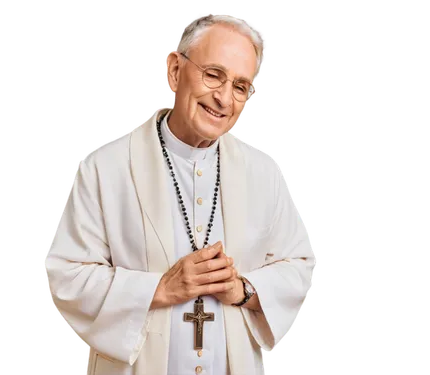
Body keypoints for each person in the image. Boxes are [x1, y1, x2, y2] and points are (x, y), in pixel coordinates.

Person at [44, 12, 315, 375]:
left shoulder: (263, 174)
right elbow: (67, 276)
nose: (224, 99)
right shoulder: (105, 169)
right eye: (213, 75)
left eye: (240, 86)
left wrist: (244, 290)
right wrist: (158, 288)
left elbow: (299, 265)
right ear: (173, 70)